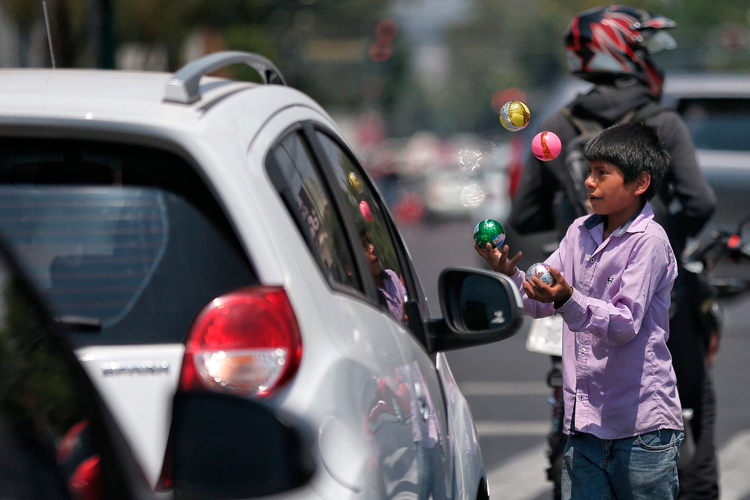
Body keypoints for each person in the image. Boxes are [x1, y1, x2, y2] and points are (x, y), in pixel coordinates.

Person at [509, 6, 718, 498]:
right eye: (642, 48)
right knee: (698, 400)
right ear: (623, 50)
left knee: (571, 402)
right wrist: (666, 243)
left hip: (571, 289)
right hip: (635, 303)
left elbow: (522, 217)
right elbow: (700, 202)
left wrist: (575, 238)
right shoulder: (659, 124)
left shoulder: (555, 125)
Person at [478, 122, 682, 499]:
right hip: (585, 428)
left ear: (640, 183)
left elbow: (623, 323)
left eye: (603, 173)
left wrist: (567, 297)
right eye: (589, 172)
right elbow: (542, 300)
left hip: (641, 430)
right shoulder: (579, 232)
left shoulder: (649, 243)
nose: (589, 183)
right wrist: (511, 275)